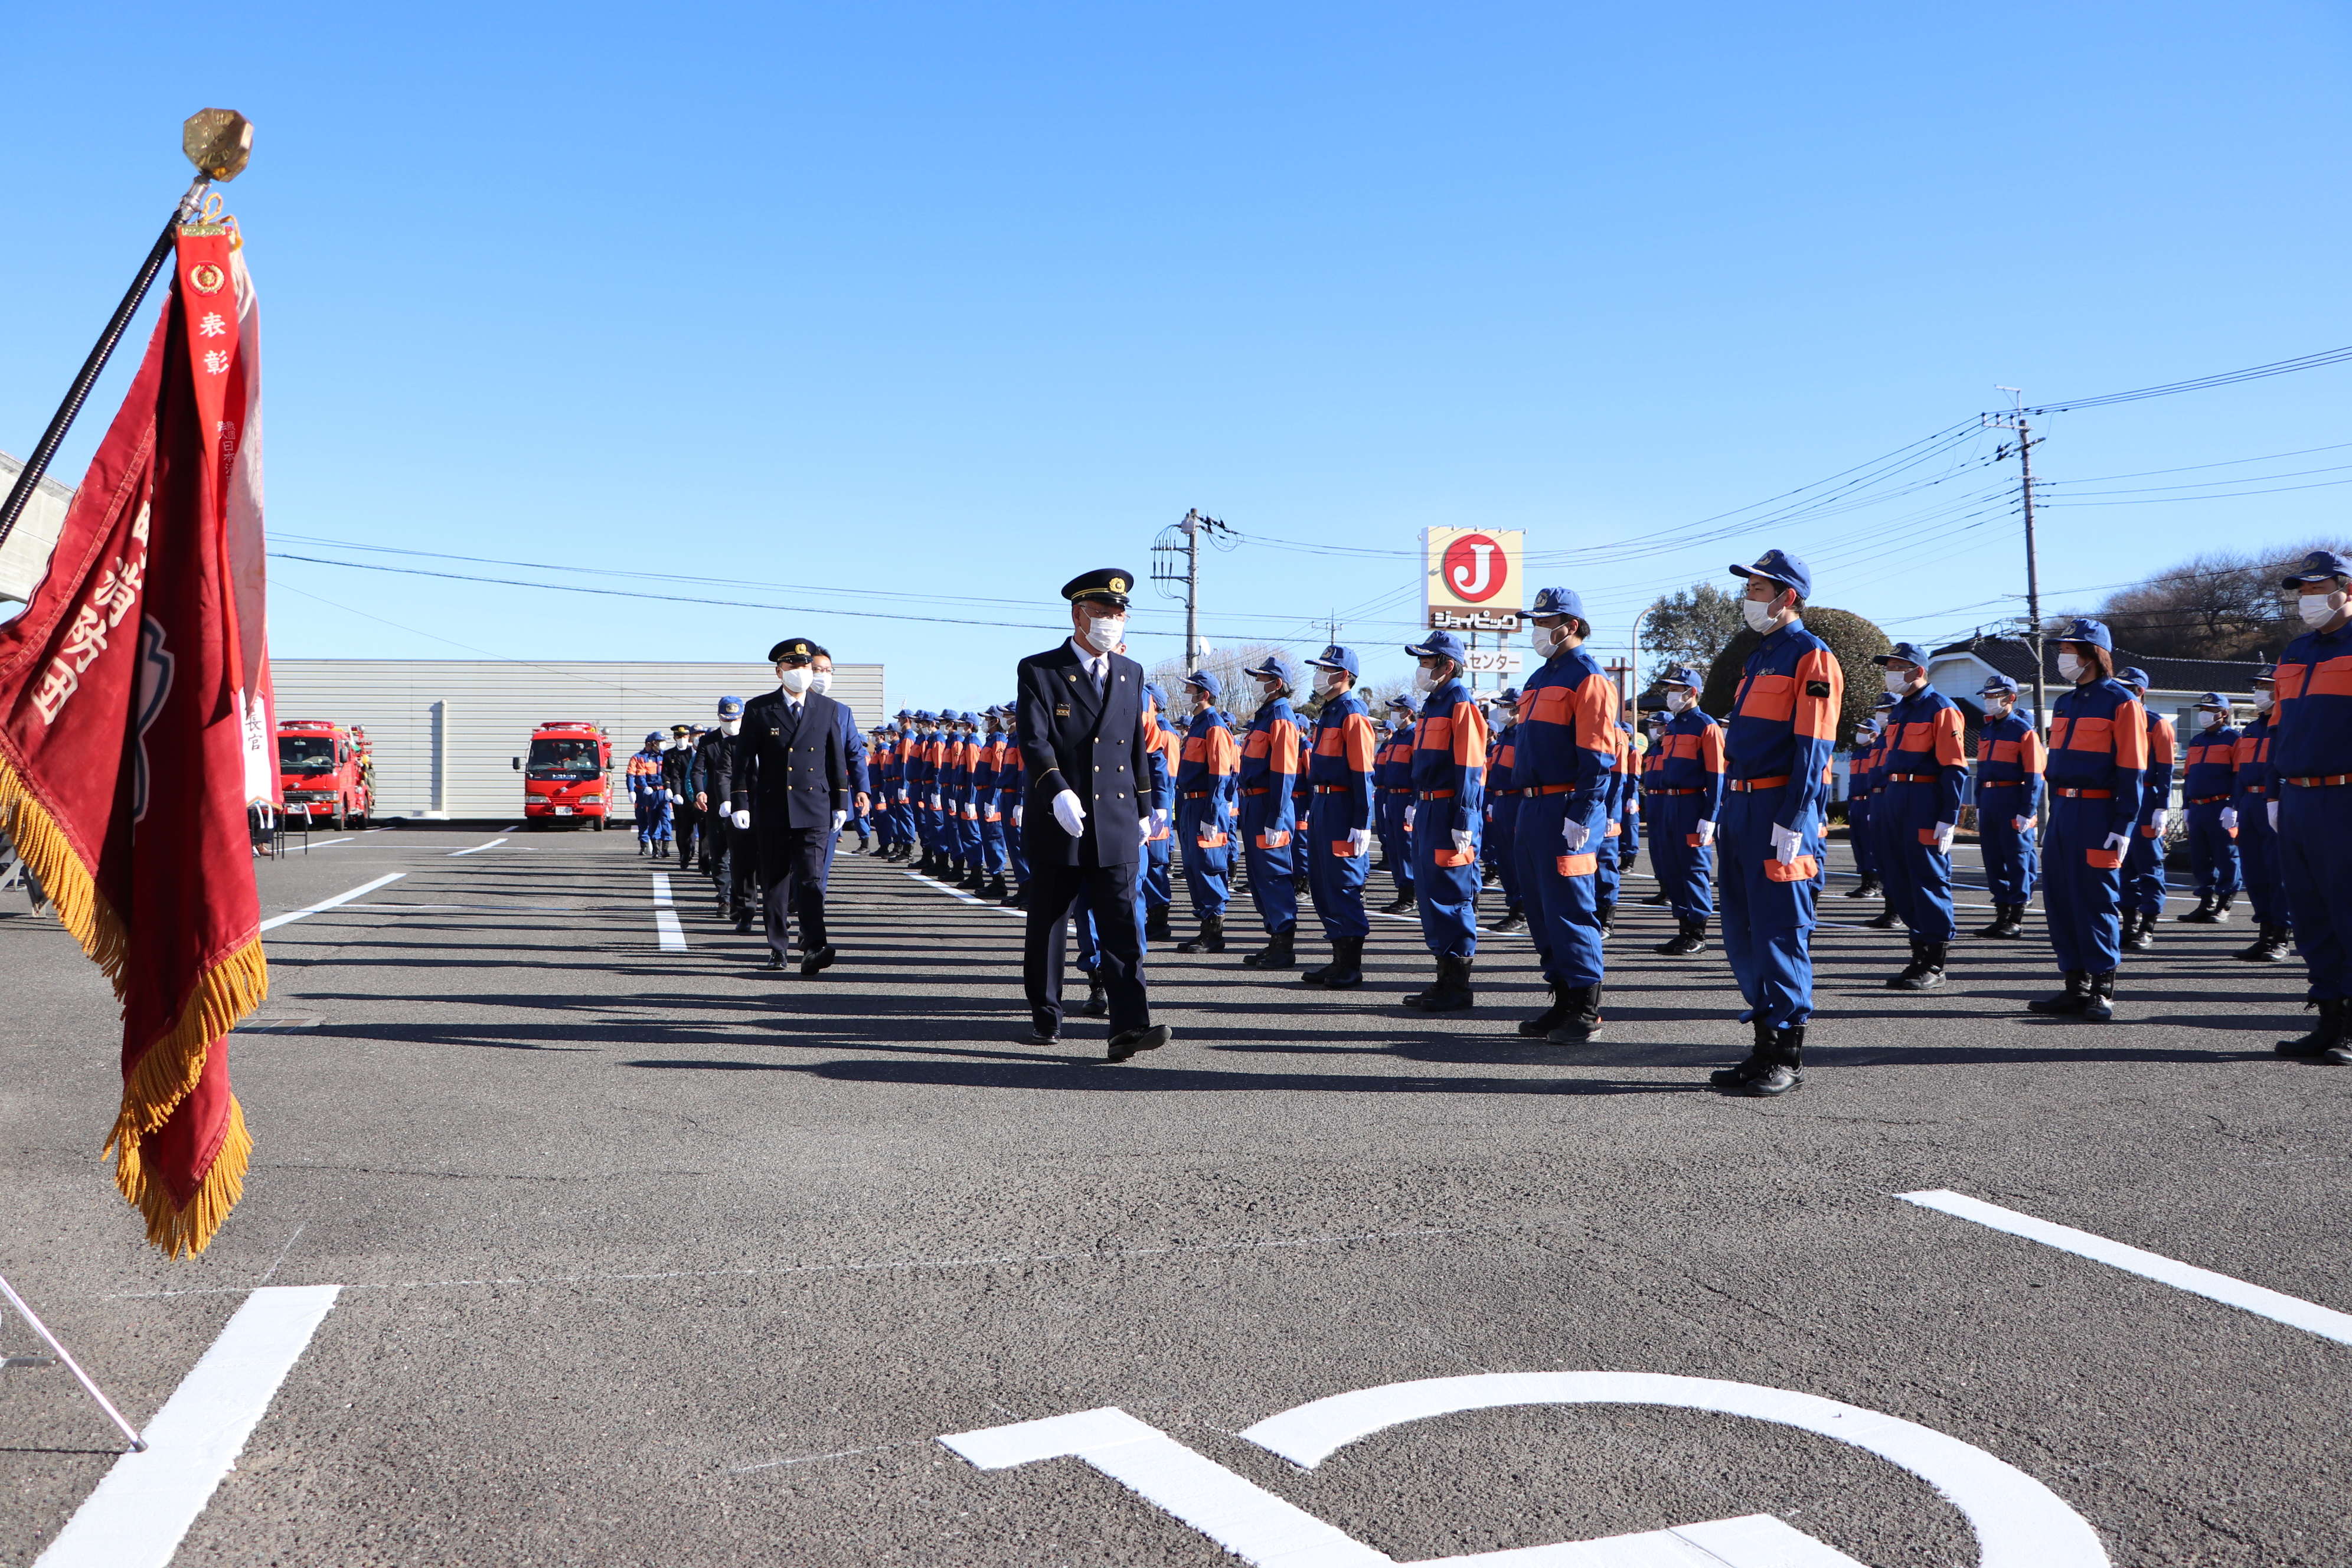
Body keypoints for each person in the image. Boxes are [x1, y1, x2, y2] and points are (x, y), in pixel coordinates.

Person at [1014, 568, 1170, 1061]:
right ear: (1078, 615)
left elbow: (1137, 751)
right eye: (1102, 613)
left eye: (1118, 614)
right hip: (1062, 816)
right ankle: (1046, 1011)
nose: (1112, 623)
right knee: (1050, 923)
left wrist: (1146, 807)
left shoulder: (1131, 672)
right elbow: (1035, 741)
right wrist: (1055, 791)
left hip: (1118, 819)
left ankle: (1129, 1026)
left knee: (1123, 924)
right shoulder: (1040, 670)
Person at [1709, 550, 1843, 1096]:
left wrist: (1793, 818)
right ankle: (1763, 1044)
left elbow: (1813, 748)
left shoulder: (1812, 658)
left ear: (1788, 597)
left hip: (1778, 809)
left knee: (1781, 933)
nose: (1749, 599)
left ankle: (1786, 1052)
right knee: (1742, 932)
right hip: (1741, 807)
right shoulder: (1760, 658)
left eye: (1759, 589)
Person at [2026, 618, 2146, 1023]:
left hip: (2099, 812)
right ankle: (2074, 986)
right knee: (2061, 899)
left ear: (2093, 655)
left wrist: (2124, 823)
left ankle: (2101, 988)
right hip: (2062, 809)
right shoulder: (2064, 702)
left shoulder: (2121, 702)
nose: (2063, 656)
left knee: (2096, 900)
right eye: (2061, 649)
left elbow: (2133, 767)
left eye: (2070, 650)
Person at [1507, 591, 1615, 1038]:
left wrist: (1583, 812)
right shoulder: (1537, 678)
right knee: (1541, 910)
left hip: (1565, 806)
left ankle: (1586, 1008)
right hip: (1532, 806)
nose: (1535, 629)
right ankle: (1563, 996)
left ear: (1569, 626)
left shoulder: (1588, 677)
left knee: (1571, 909)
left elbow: (1598, 755)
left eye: (1543, 621)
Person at [2267, 550, 2352, 1061]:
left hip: (2345, 796)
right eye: (2302, 592)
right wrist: (2273, 791)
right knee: (2311, 914)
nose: (2307, 601)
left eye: (2317, 590)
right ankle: (2328, 1016)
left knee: (2349, 910)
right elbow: (2278, 726)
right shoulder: (2295, 652)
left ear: (2346, 590)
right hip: (2297, 796)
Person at [729, 638, 851, 974]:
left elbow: (836, 759)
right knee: (776, 880)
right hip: (773, 805)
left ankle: (814, 946)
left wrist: (841, 800)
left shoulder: (827, 709)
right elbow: (743, 762)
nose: (802, 672)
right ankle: (778, 948)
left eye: (806, 666)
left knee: (811, 880)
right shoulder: (759, 709)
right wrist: (740, 800)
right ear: (779, 671)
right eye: (794, 666)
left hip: (815, 806)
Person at [1400, 630, 1490, 1012]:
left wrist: (1465, 817)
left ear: (1446, 665)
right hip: (1430, 809)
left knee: (1452, 893)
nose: (1420, 668)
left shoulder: (1460, 704)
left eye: (1425, 660)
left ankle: (1457, 985)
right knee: (1432, 894)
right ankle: (1443, 977)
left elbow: (1471, 766)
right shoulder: (1432, 705)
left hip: (1450, 810)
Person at [1870, 642, 1967, 990]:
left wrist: (1948, 817)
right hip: (1896, 796)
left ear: (1919, 671)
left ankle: (1935, 963)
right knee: (1899, 879)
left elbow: (1955, 768)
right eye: (1890, 666)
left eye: (1898, 667)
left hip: (1925, 798)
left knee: (1928, 879)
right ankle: (1917, 955)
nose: (1891, 673)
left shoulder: (1942, 709)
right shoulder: (1900, 711)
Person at [1296, 646, 1378, 987]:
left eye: (1325, 669)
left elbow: (1362, 771)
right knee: (1323, 884)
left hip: (1344, 807)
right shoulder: (1330, 712)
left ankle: (1351, 964)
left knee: (1344, 884)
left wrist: (1363, 820)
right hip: (1324, 806)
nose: (1318, 674)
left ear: (1343, 675)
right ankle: (1338, 957)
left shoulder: (1352, 712)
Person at [1644, 667, 1724, 956]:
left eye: (1676, 689)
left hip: (1691, 804)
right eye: (1670, 689)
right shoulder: (1674, 727)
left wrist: (1710, 815)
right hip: (1667, 803)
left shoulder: (1706, 726)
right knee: (1671, 867)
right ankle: (1682, 930)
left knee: (1693, 868)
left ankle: (1697, 932)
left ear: (1692, 692)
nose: (1671, 694)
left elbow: (1717, 774)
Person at [1236, 655, 1305, 969]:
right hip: (1253, 804)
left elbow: (1283, 772)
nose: (1256, 684)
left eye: (1261, 679)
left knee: (1274, 874)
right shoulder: (1265, 716)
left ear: (1277, 684)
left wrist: (1276, 818)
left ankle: (1284, 944)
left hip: (1269, 805)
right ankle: (1274, 938)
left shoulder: (1281, 717)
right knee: (1259, 876)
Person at [1971, 675, 2042, 939]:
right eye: (1987, 696)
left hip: (2012, 797)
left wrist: (2028, 809)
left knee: (2017, 858)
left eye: (1994, 695)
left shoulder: (2023, 731)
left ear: (2010, 698)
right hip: (1989, 799)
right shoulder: (1987, 730)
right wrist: (1979, 802)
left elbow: (2035, 774)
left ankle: (2016, 918)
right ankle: (2001, 915)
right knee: (1993, 858)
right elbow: (1981, 770)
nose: (1989, 700)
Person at [1172, 671, 1239, 953]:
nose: (1186, 692)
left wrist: (1212, 815)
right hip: (1190, 804)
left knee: (1210, 866)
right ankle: (1204, 928)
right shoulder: (1198, 725)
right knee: (1193, 868)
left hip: (1205, 806)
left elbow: (1221, 775)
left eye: (1190, 688)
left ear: (1205, 695)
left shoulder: (1214, 726)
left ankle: (1214, 933)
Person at [2232, 666, 2291, 962]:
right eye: (2257, 686)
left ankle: (2281, 936)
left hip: (2275, 801)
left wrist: (2277, 798)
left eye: (2266, 686)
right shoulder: (2252, 728)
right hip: (2249, 803)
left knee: (2277, 872)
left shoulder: (2287, 723)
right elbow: (2240, 771)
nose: (2259, 692)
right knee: (2254, 872)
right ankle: (2265, 934)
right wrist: (2234, 804)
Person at [2116, 669, 2175, 953]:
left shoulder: (2157, 724)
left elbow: (2166, 769)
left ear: (2140, 691)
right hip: (2122, 798)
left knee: (2149, 866)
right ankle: (2128, 924)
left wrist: (2162, 806)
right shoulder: (2117, 721)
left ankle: (2147, 926)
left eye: (2128, 688)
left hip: (2148, 800)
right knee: (2122, 865)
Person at [2175, 692, 2243, 925]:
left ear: (2223, 714)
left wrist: (2233, 805)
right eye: (2202, 709)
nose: (2204, 714)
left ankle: (2225, 902)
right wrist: (2186, 805)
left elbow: (2239, 776)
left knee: (2226, 855)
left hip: (2220, 805)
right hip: (2198, 807)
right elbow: (2188, 776)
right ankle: (2206, 901)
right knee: (2200, 856)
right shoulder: (2196, 741)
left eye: (2210, 710)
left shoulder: (2235, 739)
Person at [694, 703, 745, 917]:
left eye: (735, 720)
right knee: (719, 854)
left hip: (746, 804)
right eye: (727, 720)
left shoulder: (752, 738)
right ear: (719, 718)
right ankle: (725, 898)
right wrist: (699, 793)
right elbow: (697, 770)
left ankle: (743, 897)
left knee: (745, 854)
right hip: (716, 805)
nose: (732, 724)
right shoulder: (709, 740)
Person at [1140, 684, 1182, 940]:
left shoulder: (1164, 732)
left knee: (1156, 862)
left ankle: (1159, 918)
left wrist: (1162, 806)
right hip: (1153, 801)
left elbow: (1168, 773)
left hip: (1158, 803)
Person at [1485, 688, 1526, 933]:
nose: (1501, 710)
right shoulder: (1504, 736)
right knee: (1504, 860)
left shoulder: (1523, 736)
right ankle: (1513, 908)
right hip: (1499, 801)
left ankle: (1521, 911)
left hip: (1515, 801)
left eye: (1505, 705)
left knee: (1516, 859)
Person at [1375, 696, 1419, 913]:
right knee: (1393, 847)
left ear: (1408, 712)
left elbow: (1419, 773)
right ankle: (1402, 892)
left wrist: (1414, 802)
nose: (1393, 713)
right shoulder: (1394, 739)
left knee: (1406, 847)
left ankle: (1410, 896)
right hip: (1391, 798)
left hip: (1406, 798)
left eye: (1398, 709)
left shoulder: (1415, 737)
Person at [1844, 714, 1883, 900]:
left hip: (1870, 802)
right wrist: (1851, 804)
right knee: (1858, 844)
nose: (1860, 734)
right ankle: (1864, 882)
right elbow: (1852, 782)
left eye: (1864, 731)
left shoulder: (1876, 752)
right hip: (1857, 803)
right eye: (1859, 730)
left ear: (1874, 734)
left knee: (1870, 844)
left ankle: (1873, 884)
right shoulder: (1858, 753)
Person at [628, 731, 671, 857]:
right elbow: (633, 775)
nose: (663, 744)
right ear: (651, 743)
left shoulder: (666, 756)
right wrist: (632, 790)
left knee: (665, 819)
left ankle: (664, 847)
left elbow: (671, 774)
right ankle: (646, 845)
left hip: (663, 791)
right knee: (645, 818)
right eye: (660, 741)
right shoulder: (639, 757)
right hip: (646, 792)